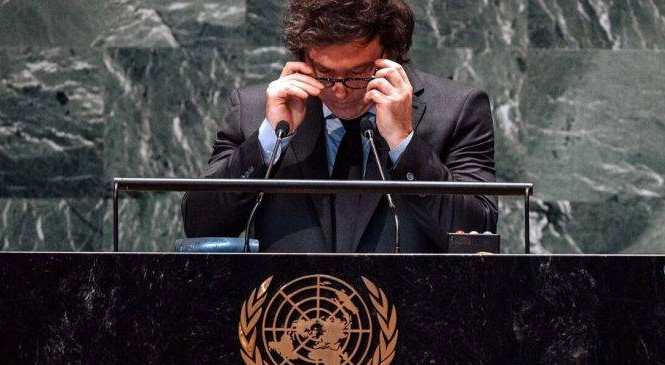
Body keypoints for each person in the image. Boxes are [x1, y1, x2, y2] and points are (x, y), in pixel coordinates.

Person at [182, 0, 497, 253]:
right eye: (325, 73)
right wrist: (268, 140)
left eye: (358, 73)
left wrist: (404, 141)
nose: (341, 90)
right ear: (302, 59)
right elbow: (200, 224)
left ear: (392, 56)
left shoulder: (457, 109)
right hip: (286, 317)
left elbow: (476, 235)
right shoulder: (252, 111)